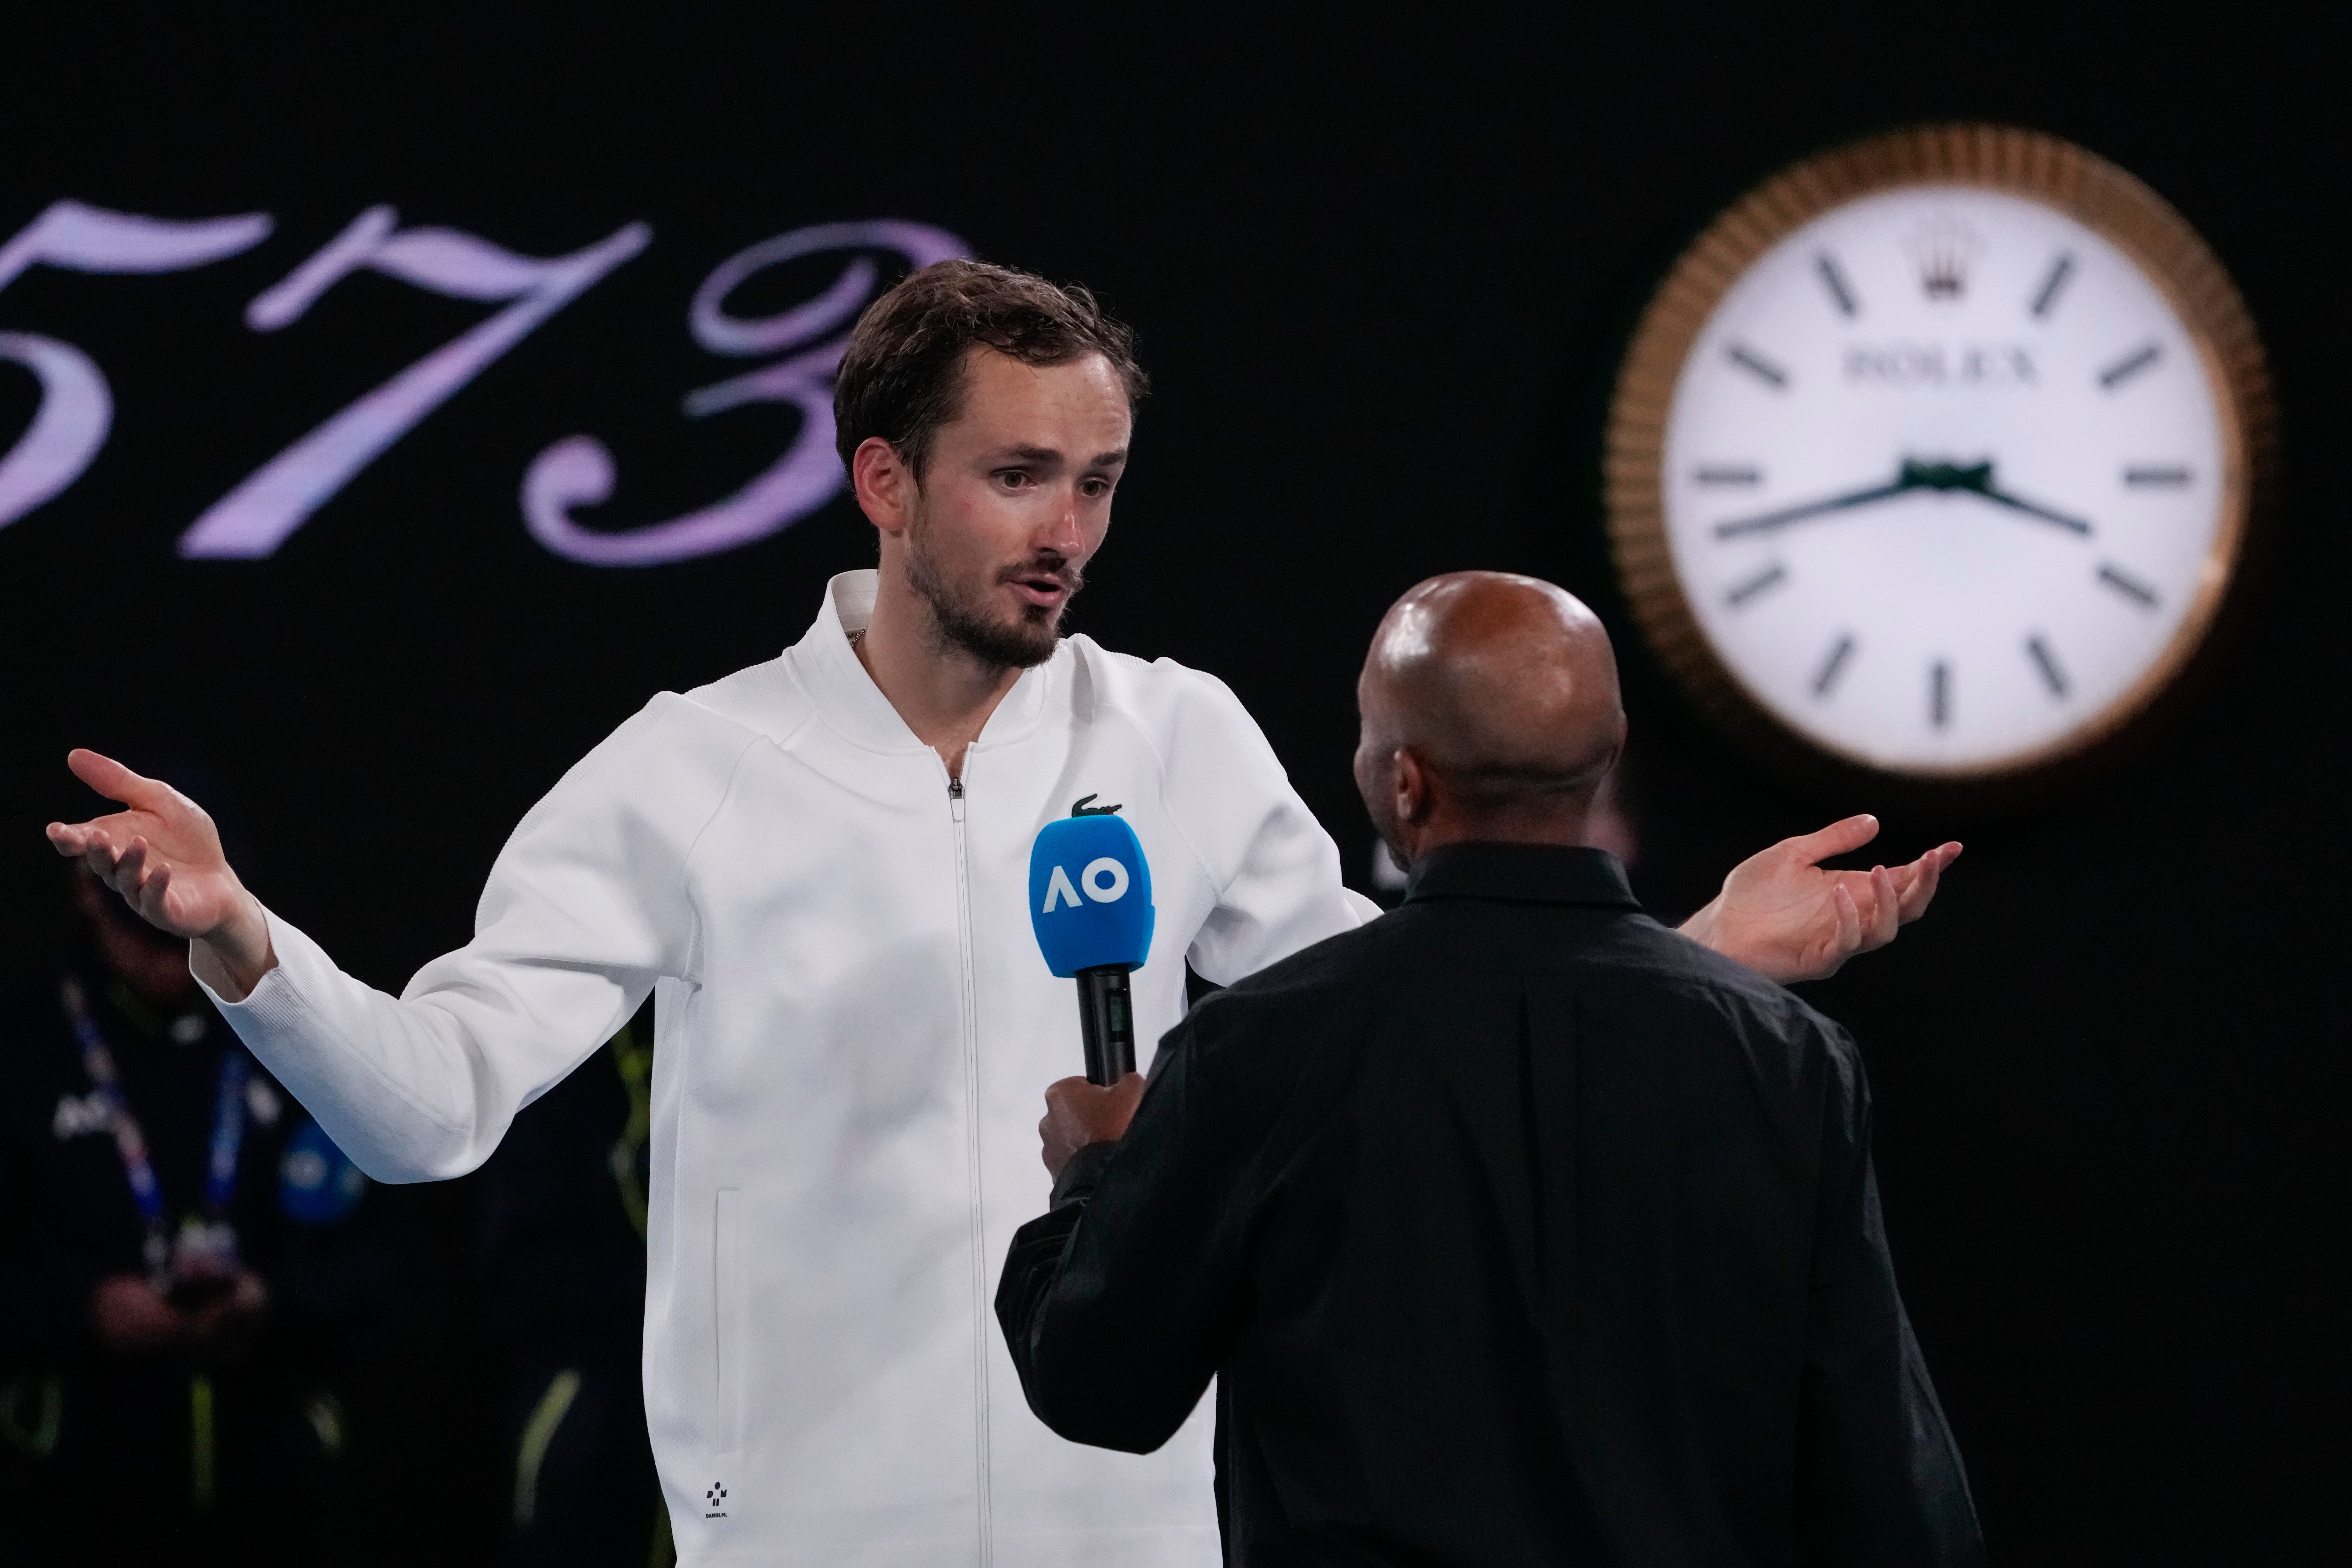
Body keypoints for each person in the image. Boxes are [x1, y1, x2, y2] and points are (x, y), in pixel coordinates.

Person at [47, 261, 1957, 1565]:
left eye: (1098, 484)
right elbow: (424, 1111)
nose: (1063, 531)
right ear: (882, 481)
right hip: (801, 1537)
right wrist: (237, 934)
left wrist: (1681, 963)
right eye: (1017, 477)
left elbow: (1391, 1069)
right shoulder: (684, 769)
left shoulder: (1176, 736)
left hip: (1141, 1530)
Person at [998, 572, 1984, 1566]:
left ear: (1404, 781)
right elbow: (1885, 1474)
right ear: (1608, 756)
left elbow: (1099, 1387)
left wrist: (1096, 1175)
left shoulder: (1257, 1047)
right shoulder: (1785, 1056)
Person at [0, 822, 379, 1566]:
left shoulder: (301, 1042)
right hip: (69, 1508)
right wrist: (85, 1309)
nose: (164, 954)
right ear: (88, 893)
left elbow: (381, 1259)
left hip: (276, 1502)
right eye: (140, 930)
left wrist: (272, 1302)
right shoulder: (23, 1050)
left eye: (182, 932)